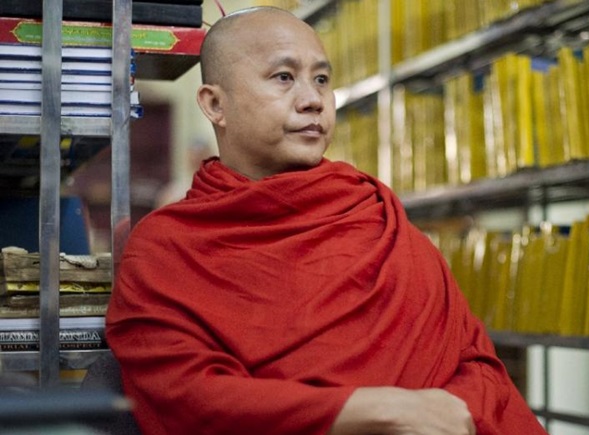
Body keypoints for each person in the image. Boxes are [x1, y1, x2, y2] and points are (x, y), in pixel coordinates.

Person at [104, 6, 549, 435]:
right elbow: (189, 398)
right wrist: (379, 411)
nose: (313, 100)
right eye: (284, 77)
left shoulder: (375, 216)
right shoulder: (166, 249)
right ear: (215, 104)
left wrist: (446, 414)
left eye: (321, 79)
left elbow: (475, 363)